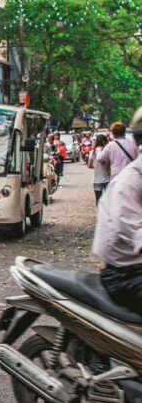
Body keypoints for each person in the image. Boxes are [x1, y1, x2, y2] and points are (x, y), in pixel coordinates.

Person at [92, 108, 142, 311]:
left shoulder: (112, 147)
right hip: (124, 273)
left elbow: (100, 161)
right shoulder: (130, 182)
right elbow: (133, 229)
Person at [88, 134, 110, 204]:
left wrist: (97, 166)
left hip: (97, 180)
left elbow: (89, 165)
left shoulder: (92, 152)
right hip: (108, 179)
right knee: (109, 200)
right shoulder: (108, 151)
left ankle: (100, 213)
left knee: (98, 200)